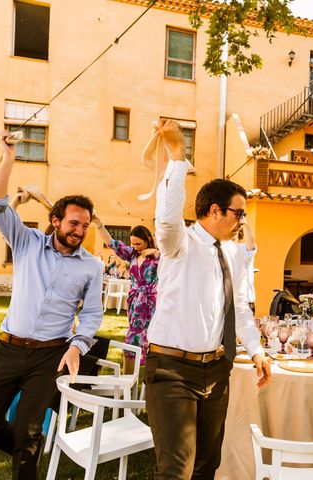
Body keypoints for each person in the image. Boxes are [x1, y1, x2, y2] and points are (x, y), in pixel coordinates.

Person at [143, 119, 271, 479]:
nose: (241, 219)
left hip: (217, 370)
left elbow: (241, 310)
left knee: (206, 465)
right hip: (172, 370)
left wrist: (257, 350)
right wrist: (178, 158)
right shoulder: (179, 243)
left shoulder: (233, 253)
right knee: (176, 470)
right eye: (238, 212)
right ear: (214, 211)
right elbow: (166, 222)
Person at [0, 132, 103, 479]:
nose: (79, 231)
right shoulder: (25, 241)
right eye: (74, 223)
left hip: (50, 355)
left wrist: (78, 345)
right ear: (56, 221)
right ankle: (29, 444)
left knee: (28, 438)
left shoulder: (92, 265)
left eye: (85, 226)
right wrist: (8, 158)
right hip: (8, 349)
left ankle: (29, 447)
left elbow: (91, 314)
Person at [94, 221, 160, 374]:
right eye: (133, 243)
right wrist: (99, 224)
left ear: (148, 240)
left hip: (152, 304)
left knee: (150, 340)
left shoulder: (159, 256)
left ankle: (145, 380)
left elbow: (173, 260)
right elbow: (111, 243)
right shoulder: (131, 254)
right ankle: (128, 381)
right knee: (133, 340)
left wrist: (156, 253)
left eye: (139, 243)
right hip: (135, 303)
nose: (135, 246)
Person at [234, 223, 257, 313]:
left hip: (245, 303)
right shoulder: (221, 248)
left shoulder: (242, 248)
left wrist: (244, 223)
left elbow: (251, 244)